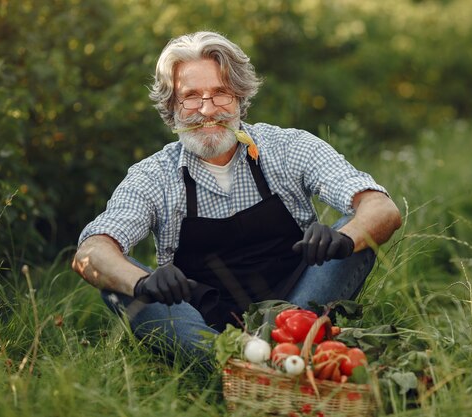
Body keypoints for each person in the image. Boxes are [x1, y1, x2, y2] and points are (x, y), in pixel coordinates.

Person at [72, 31, 401, 361]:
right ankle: (230, 360)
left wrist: (342, 239)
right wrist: (143, 283)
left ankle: (285, 349)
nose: (207, 109)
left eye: (220, 93)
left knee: (356, 233)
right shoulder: (153, 176)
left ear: (240, 99)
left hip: (296, 311)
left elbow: (382, 208)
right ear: (172, 109)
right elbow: (91, 252)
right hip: (203, 325)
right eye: (190, 97)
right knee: (119, 283)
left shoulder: (288, 148)